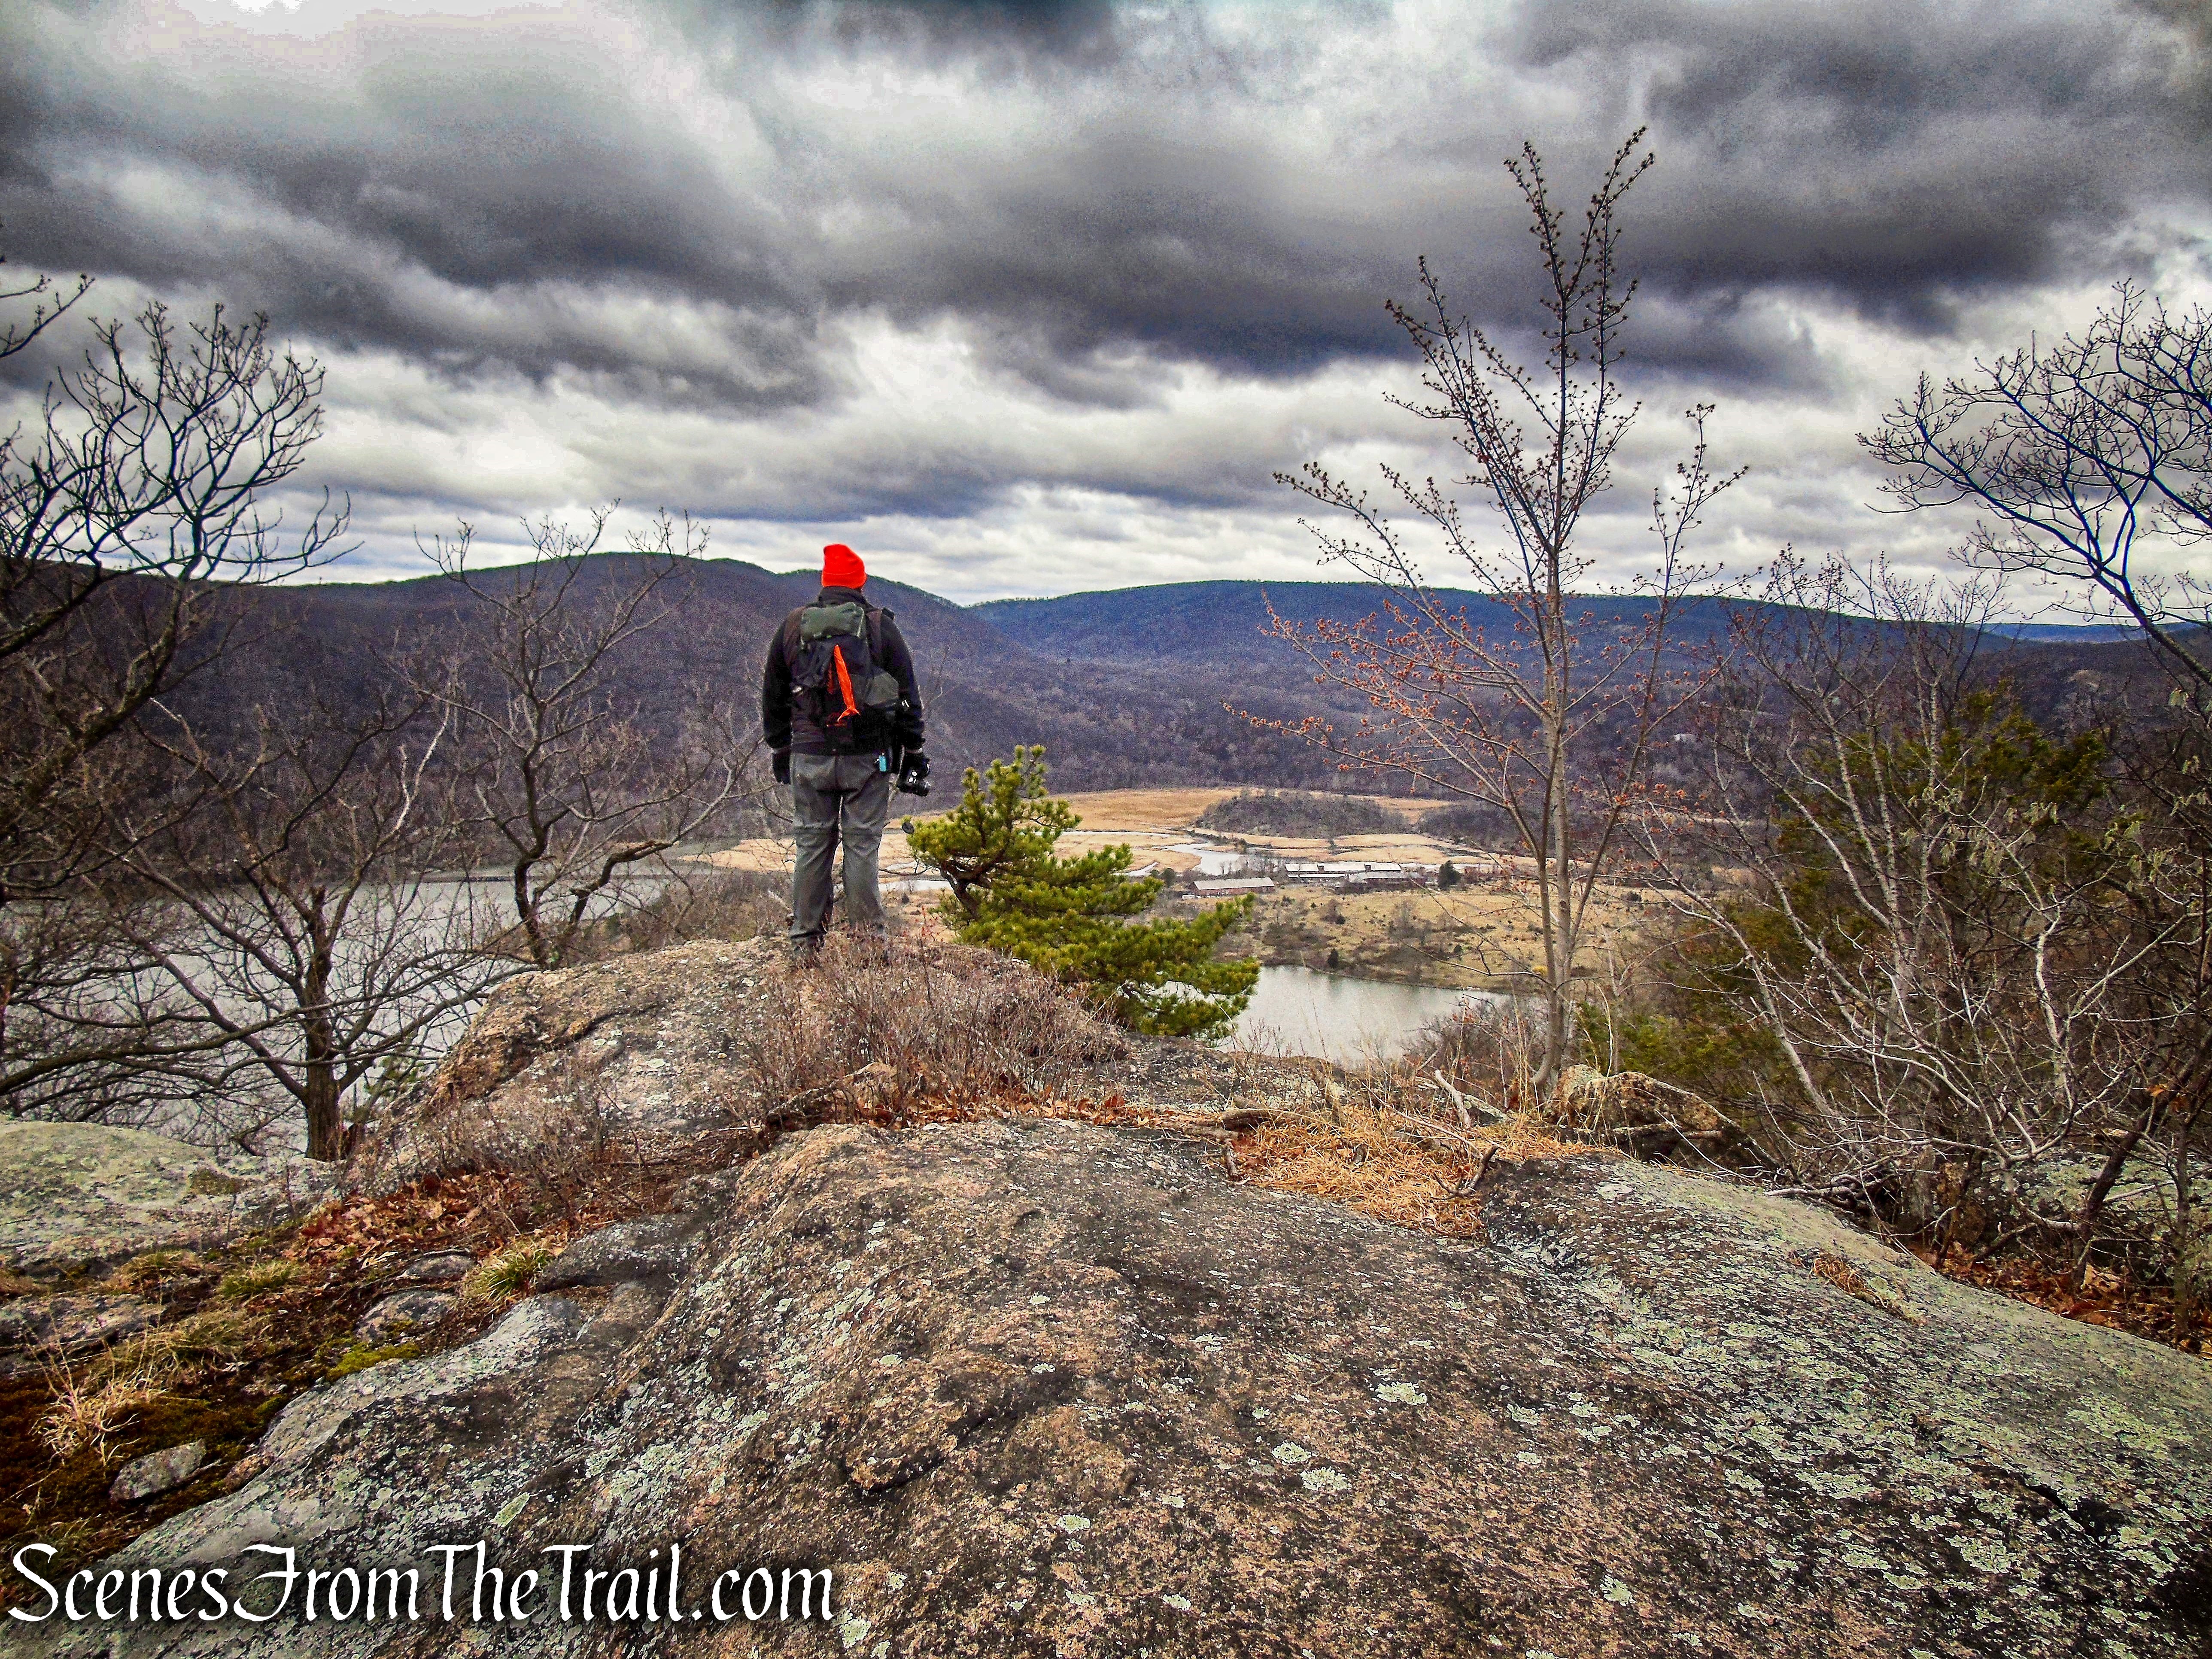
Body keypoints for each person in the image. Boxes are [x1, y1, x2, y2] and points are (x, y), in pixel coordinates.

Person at [761, 543, 929, 949]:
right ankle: (867, 945)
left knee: (812, 846)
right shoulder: (880, 627)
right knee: (861, 846)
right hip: (867, 757)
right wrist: (914, 752)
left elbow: (773, 695)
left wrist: (781, 748)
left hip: (810, 755)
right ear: (860, 583)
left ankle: (804, 943)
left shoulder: (793, 626)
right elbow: (907, 697)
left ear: (825, 584)